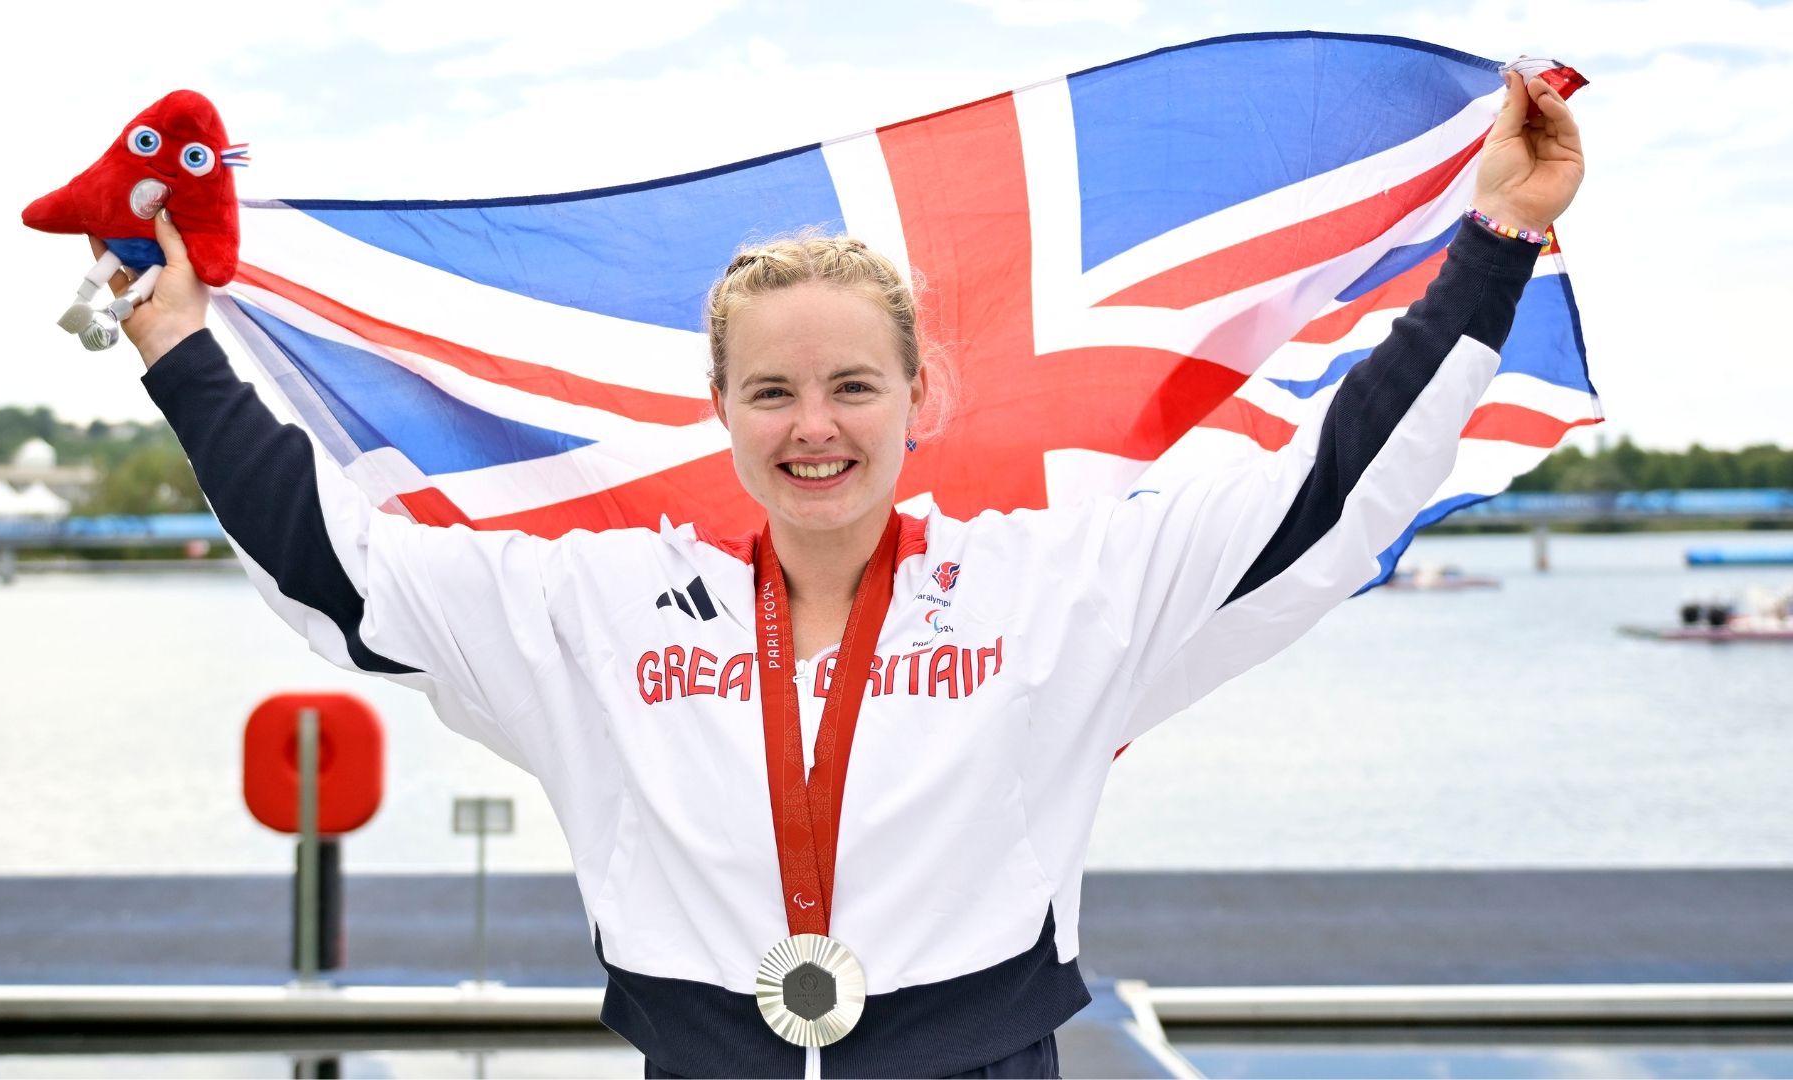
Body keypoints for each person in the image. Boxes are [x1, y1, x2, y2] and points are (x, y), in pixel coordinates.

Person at [110, 69, 1582, 1078]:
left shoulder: (1055, 590)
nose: (813, 428)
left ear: (919, 395)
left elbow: (1323, 495)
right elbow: (338, 567)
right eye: (771, 393)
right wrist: (180, 351)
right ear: (722, 411)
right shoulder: (594, 611)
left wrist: (1500, 234)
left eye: (851, 388)